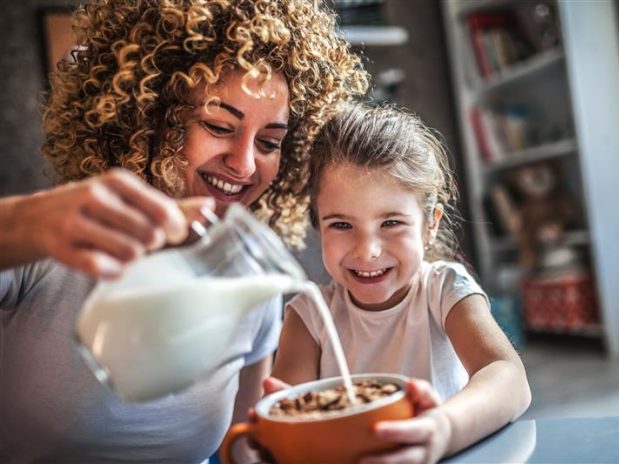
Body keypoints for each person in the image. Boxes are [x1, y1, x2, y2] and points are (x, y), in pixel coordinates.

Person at [0, 0, 368, 462]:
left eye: (270, 142)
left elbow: (242, 445)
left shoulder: (250, 279)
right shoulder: (48, 239)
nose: (246, 163)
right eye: (218, 126)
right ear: (148, 115)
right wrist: (22, 224)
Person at [271, 102, 531, 464]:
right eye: (342, 225)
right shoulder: (308, 317)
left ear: (430, 224)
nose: (368, 251)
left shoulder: (444, 291)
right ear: (318, 225)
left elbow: (508, 377)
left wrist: (443, 429)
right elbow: (293, 426)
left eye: (391, 223)